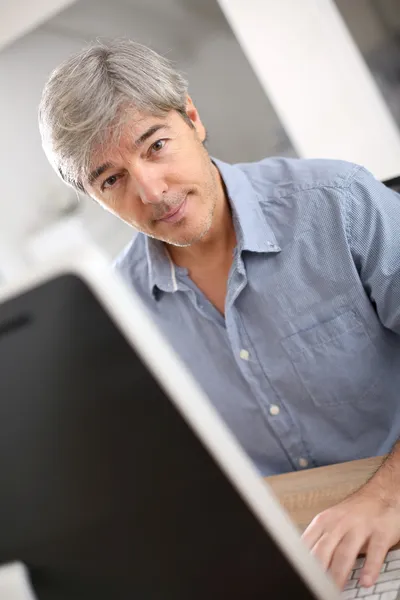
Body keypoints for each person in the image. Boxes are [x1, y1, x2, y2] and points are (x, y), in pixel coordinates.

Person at [39, 38, 400, 591]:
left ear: (192, 117)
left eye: (155, 145)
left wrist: (382, 498)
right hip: (284, 562)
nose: (152, 191)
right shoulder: (116, 315)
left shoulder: (340, 203)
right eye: (111, 180)